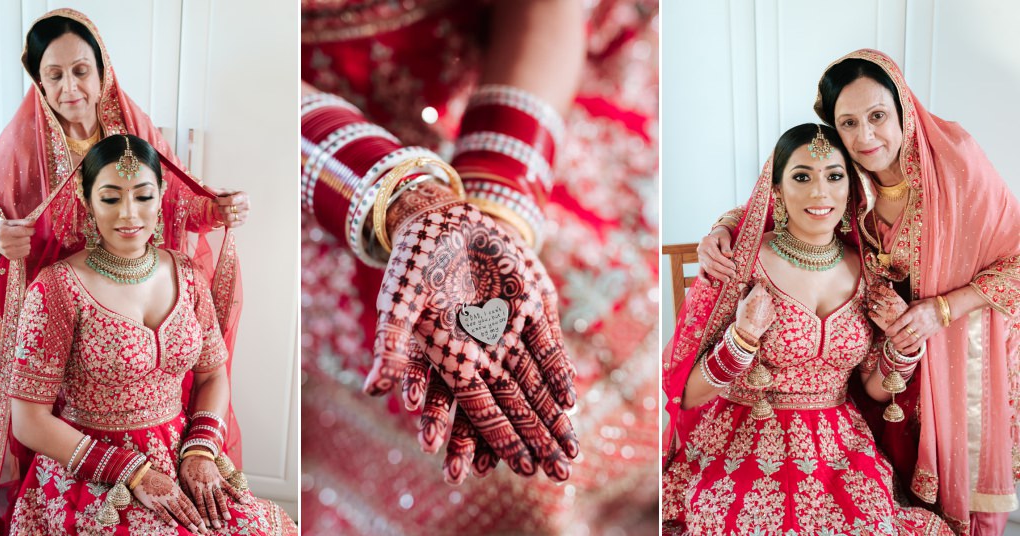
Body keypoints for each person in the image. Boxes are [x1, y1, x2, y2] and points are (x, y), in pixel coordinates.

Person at [301, 0, 659, 533]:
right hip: (316, 175)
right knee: (500, 487)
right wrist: (404, 200)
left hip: (521, 104)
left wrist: (498, 215)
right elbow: (220, 72)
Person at [695, 49, 1020, 535]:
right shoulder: (847, 176)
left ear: (903, 109)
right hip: (885, 347)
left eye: (877, 117)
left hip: (960, 343)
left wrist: (942, 310)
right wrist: (721, 228)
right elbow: (780, 197)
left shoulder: (956, 164)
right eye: (849, 123)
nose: (866, 136)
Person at [0, 10, 252, 532]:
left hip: (138, 300)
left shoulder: (133, 131)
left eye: (81, 70)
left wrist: (216, 210)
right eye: (55, 75)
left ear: (103, 69)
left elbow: (175, 201)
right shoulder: (21, 148)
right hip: (59, 304)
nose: (71, 87)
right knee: (43, 416)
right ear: (38, 80)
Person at [662, 123, 949, 534]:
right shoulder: (740, 263)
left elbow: (872, 387)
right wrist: (741, 340)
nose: (820, 192)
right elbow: (685, 393)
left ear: (851, 188)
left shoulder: (868, 269)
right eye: (802, 177)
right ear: (775, 191)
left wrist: (901, 347)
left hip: (839, 445)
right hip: (745, 437)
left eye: (834, 176)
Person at [5, 134, 295, 535]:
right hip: (91, 469)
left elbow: (213, 374)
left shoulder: (188, 275)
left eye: (143, 196)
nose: (129, 214)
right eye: (110, 198)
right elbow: (28, 421)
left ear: (161, 195)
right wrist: (133, 473)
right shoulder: (57, 289)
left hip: (182, 454)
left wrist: (201, 451)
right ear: (86, 199)